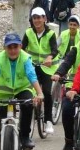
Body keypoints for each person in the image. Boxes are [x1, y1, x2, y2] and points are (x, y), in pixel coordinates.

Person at [22, 7, 59, 135]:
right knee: (28, 91)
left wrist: (50, 57)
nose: (37, 20)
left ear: (44, 19)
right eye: (34, 18)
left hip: (47, 68)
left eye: (39, 17)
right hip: (32, 66)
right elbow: (22, 48)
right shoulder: (28, 33)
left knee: (47, 92)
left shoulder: (50, 34)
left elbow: (55, 50)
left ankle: (48, 120)